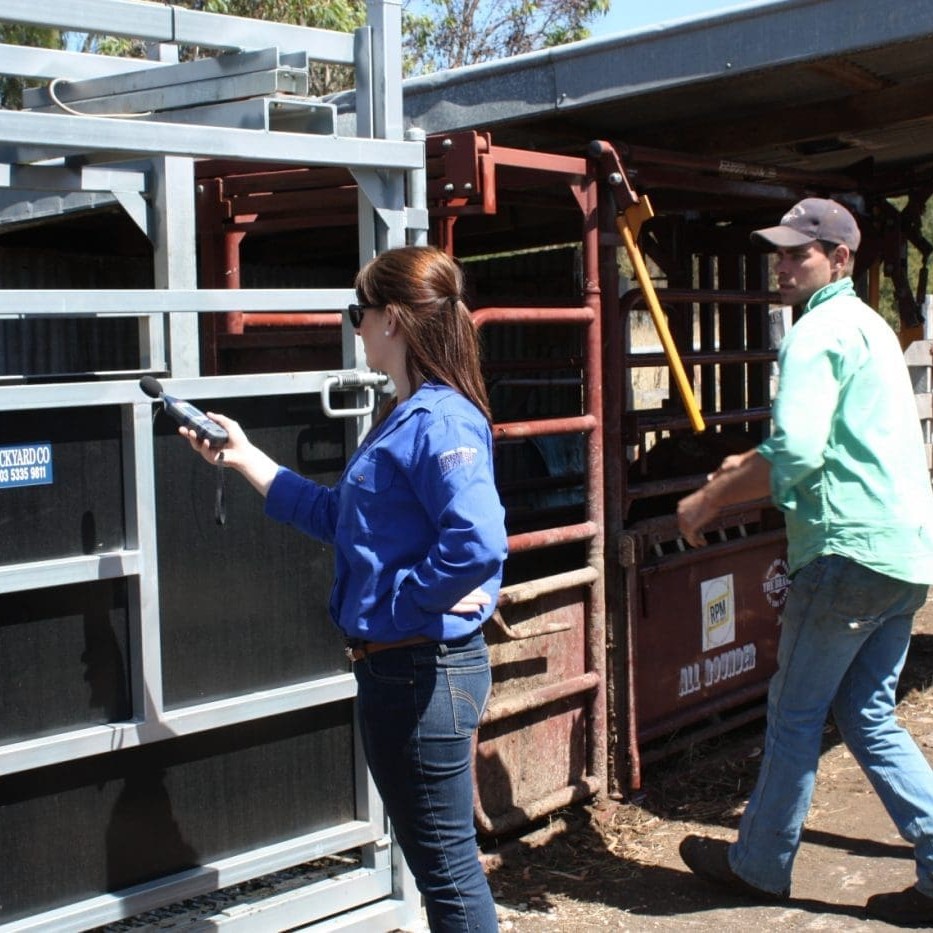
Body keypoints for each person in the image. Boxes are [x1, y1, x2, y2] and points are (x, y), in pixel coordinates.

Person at [182, 245, 506, 932]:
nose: (352, 326)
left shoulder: (438, 421)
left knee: (447, 874)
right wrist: (246, 459)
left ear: (391, 319)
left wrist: (402, 607)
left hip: (420, 668)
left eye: (355, 312)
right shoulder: (406, 414)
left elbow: (477, 542)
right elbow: (343, 519)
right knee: (443, 868)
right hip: (409, 668)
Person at [676, 198, 933, 926]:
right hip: (902, 552)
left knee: (793, 712)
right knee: (866, 711)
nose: (782, 266)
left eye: (799, 254)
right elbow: (831, 442)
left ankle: (759, 864)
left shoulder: (817, 331)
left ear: (840, 258)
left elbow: (796, 450)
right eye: (780, 254)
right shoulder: (869, 326)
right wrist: (747, 464)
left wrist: (709, 500)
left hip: (844, 553)